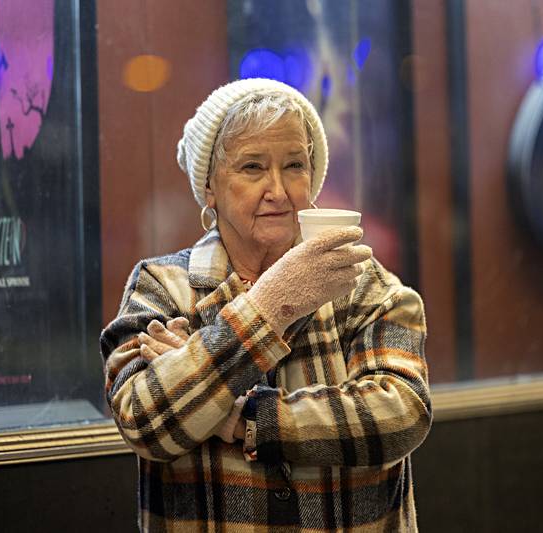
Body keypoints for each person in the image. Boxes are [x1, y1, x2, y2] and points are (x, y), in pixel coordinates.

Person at [100, 78, 431, 532]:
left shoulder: (364, 285)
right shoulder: (162, 288)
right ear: (210, 188)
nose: (278, 189)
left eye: (294, 165)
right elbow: (144, 421)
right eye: (252, 167)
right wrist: (271, 305)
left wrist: (244, 420)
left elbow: (402, 414)